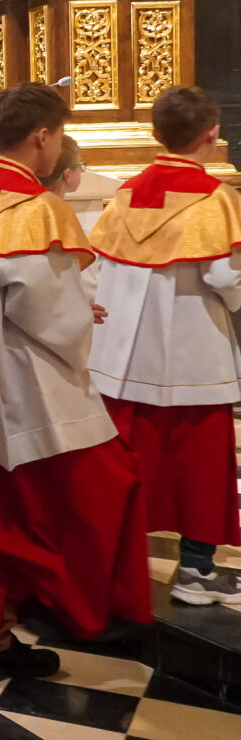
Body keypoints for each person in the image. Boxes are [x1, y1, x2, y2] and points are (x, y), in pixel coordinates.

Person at [0, 82, 150, 682]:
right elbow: (47, 313)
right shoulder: (35, 209)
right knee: (105, 485)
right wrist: (81, 313)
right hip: (26, 392)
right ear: (43, 137)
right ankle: (85, 610)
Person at [87, 86, 241, 605]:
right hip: (192, 353)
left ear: (156, 134)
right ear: (212, 133)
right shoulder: (216, 197)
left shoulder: (125, 194)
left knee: (133, 458)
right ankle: (196, 570)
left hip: (125, 356)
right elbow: (224, 276)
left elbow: (99, 266)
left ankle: (118, 564)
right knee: (199, 463)